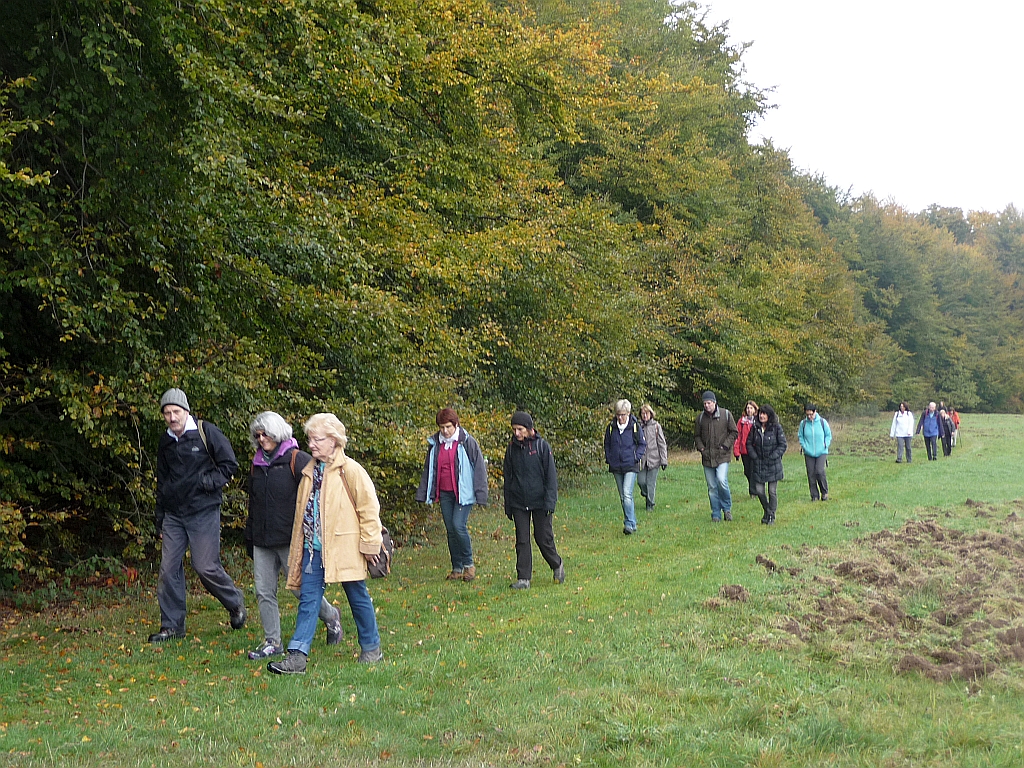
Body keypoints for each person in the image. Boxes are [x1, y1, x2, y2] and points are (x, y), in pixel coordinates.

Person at [268, 413, 384, 673]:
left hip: (346, 548)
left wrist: (369, 546)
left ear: (334, 440)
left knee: (357, 597)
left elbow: (368, 510)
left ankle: (372, 648)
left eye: (317, 439)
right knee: (308, 601)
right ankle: (296, 658)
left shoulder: (351, 470)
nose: (312, 444)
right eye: (310, 438)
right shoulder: (309, 470)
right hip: (313, 549)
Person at [244, 411, 342, 660]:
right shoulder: (257, 464)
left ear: (278, 433)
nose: (261, 438)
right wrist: (250, 535)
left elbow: (317, 494)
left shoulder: (298, 460)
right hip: (262, 540)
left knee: (301, 589)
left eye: (265, 433)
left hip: (291, 539)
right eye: (258, 434)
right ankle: (272, 641)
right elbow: (253, 503)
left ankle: (331, 616)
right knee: (263, 591)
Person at [150, 388, 246, 642]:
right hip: (173, 515)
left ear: (186, 411)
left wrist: (207, 482)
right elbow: (162, 481)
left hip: (203, 511)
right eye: (167, 413)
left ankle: (235, 603)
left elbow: (229, 465)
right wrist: (159, 517)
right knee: (168, 570)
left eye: (176, 412)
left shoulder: (207, 432)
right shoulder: (166, 441)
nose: (172, 417)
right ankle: (172, 627)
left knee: (204, 566)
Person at [415, 407, 489, 582]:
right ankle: (457, 568)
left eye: (448, 426)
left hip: (463, 493)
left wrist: (481, 493)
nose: (445, 431)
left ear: (456, 425)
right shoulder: (435, 444)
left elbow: (479, 468)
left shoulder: (467, 442)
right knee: (450, 530)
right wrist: (423, 492)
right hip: (445, 493)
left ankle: (469, 565)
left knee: (458, 525)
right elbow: (429, 469)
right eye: (442, 427)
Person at [503, 411, 565, 590]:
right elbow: (508, 477)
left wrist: (550, 502)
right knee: (522, 540)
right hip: (518, 502)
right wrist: (508, 505)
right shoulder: (511, 449)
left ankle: (556, 564)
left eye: (520, 429)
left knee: (543, 538)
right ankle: (524, 578)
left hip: (540, 501)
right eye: (514, 429)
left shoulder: (542, 447)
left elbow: (551, 478)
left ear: (529, 429)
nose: (517, 433)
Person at [603, 399, 647, 534]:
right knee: (623, 496)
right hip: (616, 466)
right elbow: (607, 445)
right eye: (618, 415)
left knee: (627, 494)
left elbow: (642, 444)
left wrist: (635, 457)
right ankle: (631, 521)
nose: (620, 418)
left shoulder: (634, 426)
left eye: (623, 415)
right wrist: (609, 458)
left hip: (631, 465)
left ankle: (629, 523)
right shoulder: (611, 427)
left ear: (628, 413)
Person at [694, 391, 738, 522]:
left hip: (722, 455)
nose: (707, 405)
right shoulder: (700, 418)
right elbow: (696, 436)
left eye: (709, 403)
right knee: (712, 487)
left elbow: (734, 432)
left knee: (721, 480)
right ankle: (716, 513)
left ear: (714, 402)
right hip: (707, 457)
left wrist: (725, 446)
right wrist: (701, 448)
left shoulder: (726, 414)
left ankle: (727, 508)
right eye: (705, 403)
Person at [746, 404, 787, 525]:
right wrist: (754, 456)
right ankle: (767, 511)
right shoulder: (755, 428)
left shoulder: (776, 428)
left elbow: (783, 445)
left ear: (769, 415)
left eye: (764, 414)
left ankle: (771, 516)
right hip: (758, 464)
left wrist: (774, 456)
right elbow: (748, 443)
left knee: (772, 491)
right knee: (759, 491)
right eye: (760, 414)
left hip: (773, 464)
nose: (762, 416)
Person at [638, 404, 668, 512]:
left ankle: (650, 504)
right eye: (643, 413)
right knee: (641, 482)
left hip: (654, 459)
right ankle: (646, 494)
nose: (645, 415)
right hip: (641, 460)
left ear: (651, 414)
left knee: (651, 483)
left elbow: (662, 444)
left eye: (647, 413)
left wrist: (664, 460)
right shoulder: (637, 426)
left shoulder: (656, 426)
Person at [798, 403, 832, 501]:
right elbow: (800, 436)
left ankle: (824, 492)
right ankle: (814, 495)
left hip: (821, 451)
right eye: (807, 415)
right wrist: (804, 446)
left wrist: (825, 444)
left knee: (819, 471)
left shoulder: (822, 422)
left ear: (815, 412)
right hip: (808, 452)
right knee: (811, 474)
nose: (809, 417)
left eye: (811, 414)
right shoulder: (803, 424)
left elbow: (828, 435)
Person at [734, 401, 758, 497]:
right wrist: (736, 451)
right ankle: (755, 487)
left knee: (753, 470)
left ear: (755, 410)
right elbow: (738, 436)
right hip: (744, 450)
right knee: (747, 471)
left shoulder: (758, 421)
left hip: (755, 450)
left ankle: (753, 492)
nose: (749, 410)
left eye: (751, 408)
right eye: (748, 408)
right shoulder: (741, 421)